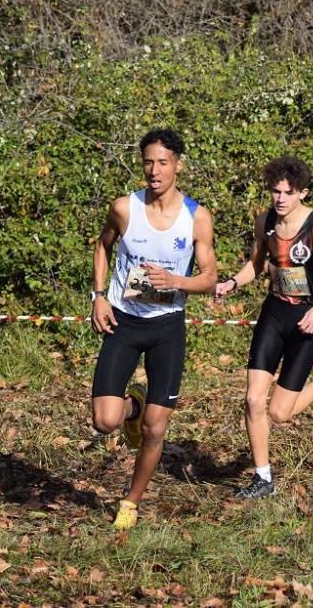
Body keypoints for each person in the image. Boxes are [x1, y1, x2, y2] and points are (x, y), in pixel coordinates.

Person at [214, 155, 313, 499]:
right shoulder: (264, 222)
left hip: (308, 321)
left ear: (302, 193)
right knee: (253, 399)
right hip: (274, 314)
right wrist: (232, 283)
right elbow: (255, 264)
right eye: (275, 191)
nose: (280, 198)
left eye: (287, 192)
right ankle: (263, 478)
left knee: (279, 413)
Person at [90, 128, 218, 529]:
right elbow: (102, 246)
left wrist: (176, 282)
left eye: (163, 162)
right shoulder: (125, 208)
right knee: (105, 421)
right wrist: (98, 295)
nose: (154, 170)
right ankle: (134, 405)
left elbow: (210, 277)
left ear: (178, 165)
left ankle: (130, 502)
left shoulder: (196, 218)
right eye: (148, 162)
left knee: (156, 428)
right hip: (124, 322)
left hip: (167, 327)